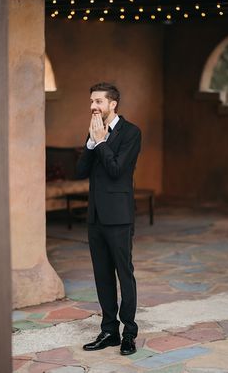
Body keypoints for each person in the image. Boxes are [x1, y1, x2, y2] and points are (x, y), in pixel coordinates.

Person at [76, 82, 141, 355]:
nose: (93, 106)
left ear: (113, 104)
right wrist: (92, 143)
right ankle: (109, 331)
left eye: (99, 101)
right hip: (96, 218)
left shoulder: (131, 133)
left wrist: (101, 142)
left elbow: (116, 170)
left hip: (119, 217)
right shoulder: (93, 133)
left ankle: (129, 333)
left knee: (124, 275)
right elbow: (80, 172)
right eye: (91, 101)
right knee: (102, 276)